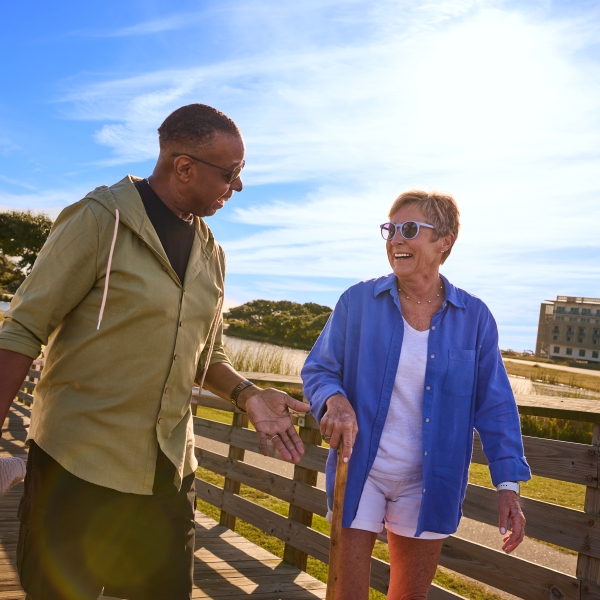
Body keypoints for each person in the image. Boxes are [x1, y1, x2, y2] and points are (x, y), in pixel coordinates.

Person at [0, 103, 309, 600]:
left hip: (167, 476)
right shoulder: (100, 219)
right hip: (75, 469)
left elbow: (208, 355)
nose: (239, 187)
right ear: (183, 166)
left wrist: (250, 395)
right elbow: (20, 332)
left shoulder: (212, 253)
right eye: (230, 174)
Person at [301, 190, 531, 600]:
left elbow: (495, 405)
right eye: (390, 230)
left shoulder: (475, 318)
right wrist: (333, 401)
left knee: (409, 596)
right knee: (346, 593)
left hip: (430, 479)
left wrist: (508, 485)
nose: (395, 240)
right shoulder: (357, 302)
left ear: (445, 241)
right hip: (359, 470)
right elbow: (320, 369)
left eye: (409, 230)